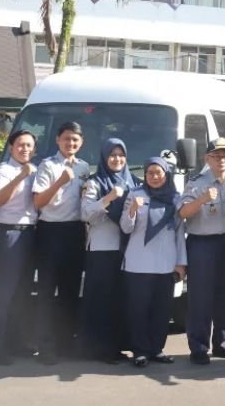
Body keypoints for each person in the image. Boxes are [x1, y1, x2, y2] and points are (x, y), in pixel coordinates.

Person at [179, 137, 225, 365]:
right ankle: (198, 346)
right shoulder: (196, 183)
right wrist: (202, 199)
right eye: (216, 156)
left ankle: (223, 342)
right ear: (207, 159)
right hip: (202, 243)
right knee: (200, 297)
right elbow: (183, 213)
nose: (220, 160)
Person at [31, 121, 89, 364]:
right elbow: (37, 202)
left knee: (70, 291)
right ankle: (45, 347)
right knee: (46, 291)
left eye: (75, 139)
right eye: (66, 138)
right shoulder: (48, 165)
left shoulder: (84, 167)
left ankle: (65, 343)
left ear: (81, 142)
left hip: (74, 232)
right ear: (57, 140)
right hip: (50, 232)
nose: (70, 143)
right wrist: (60, 181)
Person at [121, 157, 187, 367]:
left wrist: (181, 263)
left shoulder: (175, 198)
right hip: (138, 263)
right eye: (150, 173)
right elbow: (125, 227)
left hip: (165, 263)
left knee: (162, 310)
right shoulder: (135, 194)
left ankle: (157, 349)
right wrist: (132, 210)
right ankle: (140, 351)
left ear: (166, 175)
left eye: (159, 173)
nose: (154, 177)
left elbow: (179, 232)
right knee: (138, 310)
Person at [0, 129, 39, 365]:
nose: (25, 149)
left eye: (29, 145)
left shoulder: (35, 170)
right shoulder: (4, 170)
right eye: (21, 145)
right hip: (8, 234)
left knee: (22, 293)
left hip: (30, 233)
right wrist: (20, 177)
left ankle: (16, 343)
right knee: (4, 293)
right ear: (11, 147)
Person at [79, 138, 133, 363]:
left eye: (121, 155)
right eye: (112, 155)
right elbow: (85, 214)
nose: (117, 159)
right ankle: (99, 349)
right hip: (102, 250)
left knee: (120, 300)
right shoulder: (94, 183)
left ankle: (116, 346)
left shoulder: (133, 182)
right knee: (101, 301)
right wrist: (108, 198)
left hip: (127, 251)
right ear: (104, 157)